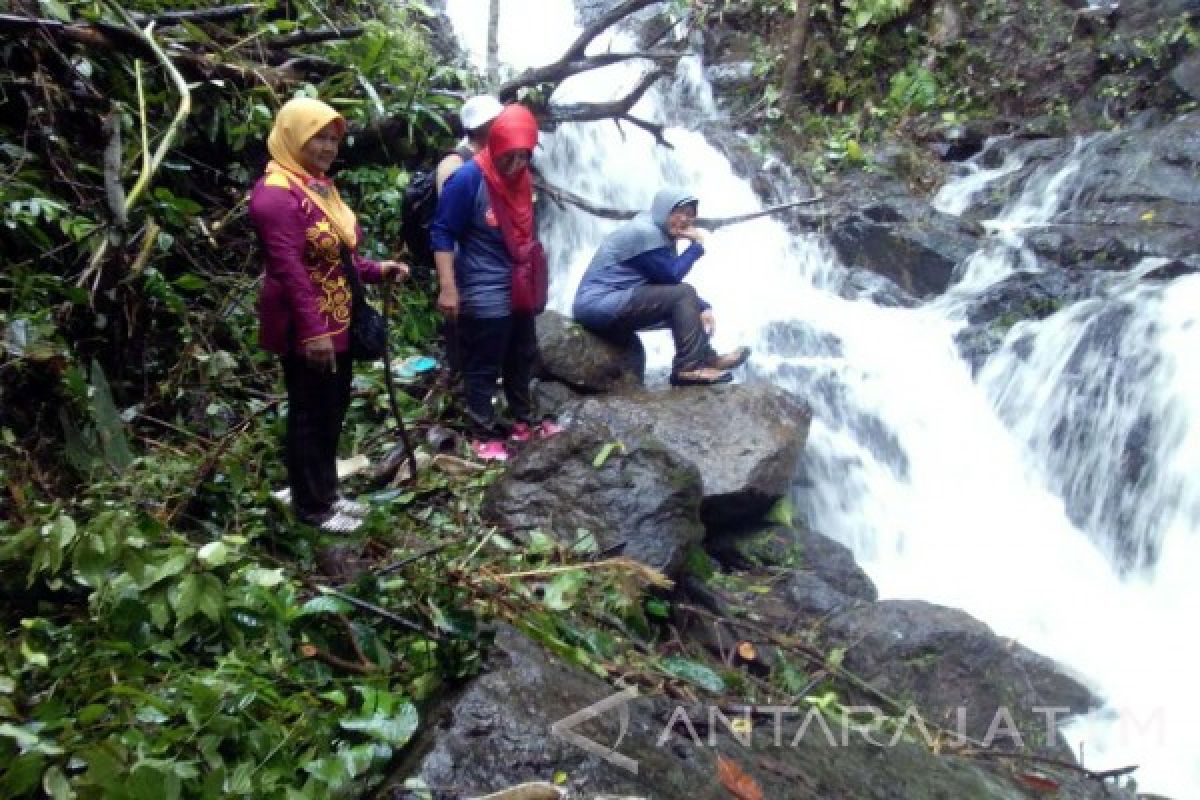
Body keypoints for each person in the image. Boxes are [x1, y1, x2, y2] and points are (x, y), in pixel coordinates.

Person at [249, 97, 409, 534]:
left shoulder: (316, 187)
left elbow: (336, 258)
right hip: (307, 324)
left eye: (334, 138)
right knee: (310, 411)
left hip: (336, 320)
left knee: (331, 408)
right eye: (318, 136)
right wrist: (313, 332)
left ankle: (323, 491)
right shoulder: (277, 195)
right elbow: (290, 269)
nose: (327, 147)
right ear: (293, 136)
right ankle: (312, 507)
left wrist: (378, 271)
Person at [430, 103, 559, 461]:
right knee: (484, 359)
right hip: (483, 285)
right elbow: (442, 233)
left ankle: (523, 421)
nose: (515, 165)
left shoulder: (521, 180)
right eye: (509, 157)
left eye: (523, 157)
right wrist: (448, 287)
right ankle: (481, 431)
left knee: (522, 353)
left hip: (518, 282)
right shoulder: (468, 179)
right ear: (496, 145)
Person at [572, 188, 750, 386]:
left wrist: (702, 306)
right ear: (662, 211)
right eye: (678, 212)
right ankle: (688, 368)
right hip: (598, 304)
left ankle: (705, 358)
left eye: (690, 214)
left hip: (613, 302)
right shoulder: (643, 232)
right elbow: (671, 276)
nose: (684, 219)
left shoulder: (657, 233)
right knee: (684, 294)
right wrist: (696, 246)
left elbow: (661, 282)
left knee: (684, 299)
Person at [435, 94, 504, 194]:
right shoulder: (453, 162)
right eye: (495, 121)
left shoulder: (496, 155)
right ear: (477, 127)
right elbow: (449, 205)